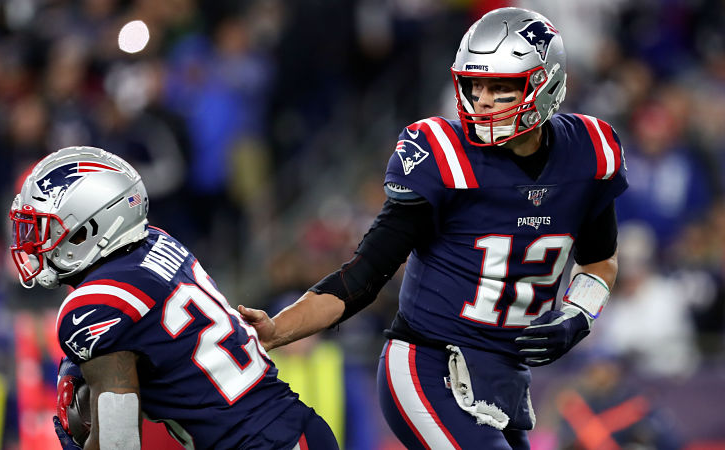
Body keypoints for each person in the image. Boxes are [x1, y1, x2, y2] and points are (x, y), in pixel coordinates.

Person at [239, 7, 628, 449]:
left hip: (505, 378)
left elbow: (600, 260)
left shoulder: (588, 152)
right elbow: (362, 277)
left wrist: (578, 316)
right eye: (474, 84)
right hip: (428, 366)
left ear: (545, 85)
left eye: (500, 87)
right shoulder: (442, 153)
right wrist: (277, 329)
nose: (481, 100)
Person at [9, 146, 338, 449]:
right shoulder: (155, 241)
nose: (33, 243)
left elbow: (118, 442)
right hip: (290, 428)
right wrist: (75, 362)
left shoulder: (94, 306)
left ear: (88, 228)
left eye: (44, 228)